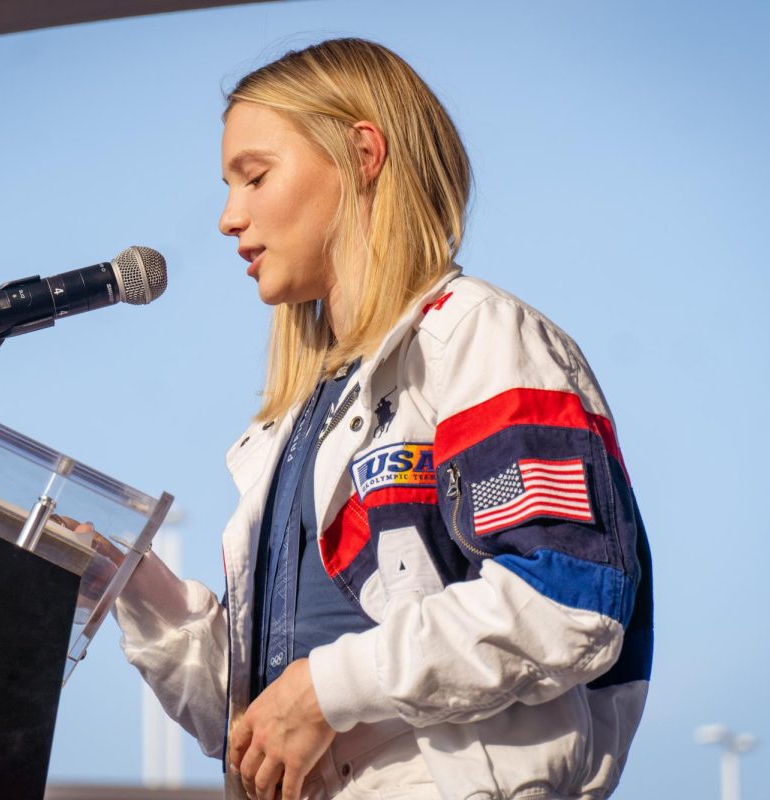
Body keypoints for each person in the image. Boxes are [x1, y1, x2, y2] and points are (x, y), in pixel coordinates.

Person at [114, 37, 653, 800]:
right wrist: (127, 583)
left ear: (363, 153)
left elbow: (563, 598)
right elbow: (254, 730)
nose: (229, 217)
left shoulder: (474, 339)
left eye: (255, 176)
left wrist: (324, 690)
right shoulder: (296, 420)